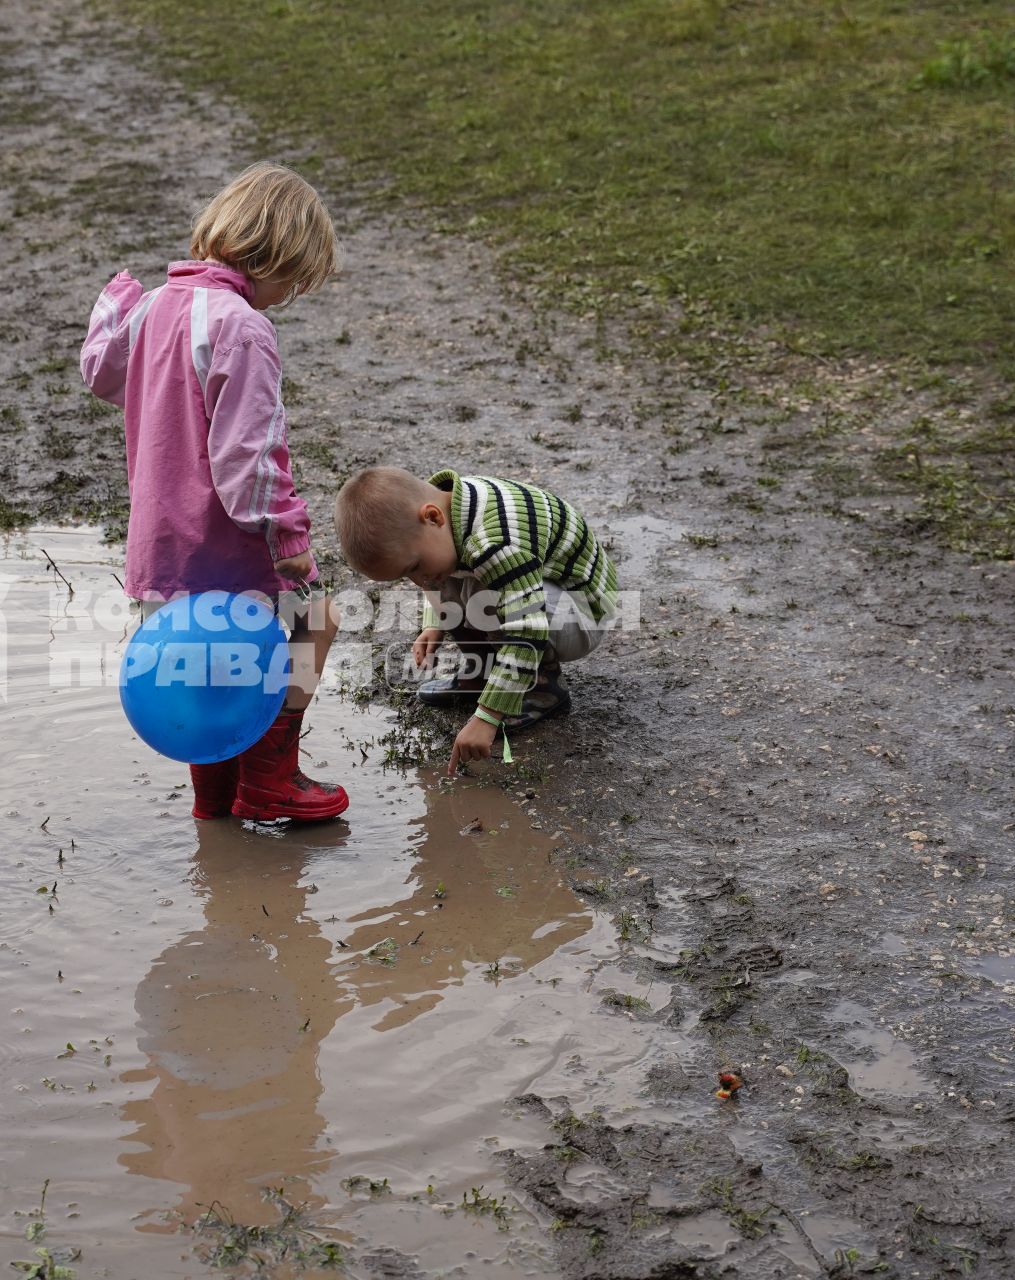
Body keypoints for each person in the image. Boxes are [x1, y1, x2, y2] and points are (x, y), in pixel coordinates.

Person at [80, 161, 348, 822]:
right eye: (295, 281)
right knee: (319, 623)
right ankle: (269, 778)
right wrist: (287, 532)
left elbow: (102, 373)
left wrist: (115, 302)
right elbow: (246, 455)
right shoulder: (242, 327)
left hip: (159, 551)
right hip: (226, 549)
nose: (287, 297)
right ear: (280, 256)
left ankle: (215, 810)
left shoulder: (153, 307)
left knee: (202, 675)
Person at [334, 465, 619, 775]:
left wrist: (487, 717)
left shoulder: (496, 544)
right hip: (538, 595)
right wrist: (435, 623)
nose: (417, 581)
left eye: (414, 566)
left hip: (581, 614)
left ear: (432, 517)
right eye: (406, 575)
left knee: (485, 597)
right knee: (442, 576)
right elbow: (440, 579)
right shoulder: (447, 512)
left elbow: (527, 628)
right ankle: (480, 673)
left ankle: (543, 689)